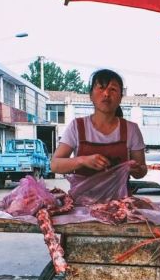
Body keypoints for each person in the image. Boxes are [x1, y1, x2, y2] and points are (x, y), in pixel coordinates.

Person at [51, 69, 147, 197]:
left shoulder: (131, 129)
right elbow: (55, 165)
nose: (106, 93)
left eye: (113, 89)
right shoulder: (77, 126)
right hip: (82, 204)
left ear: (120, 98)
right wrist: (82, 160)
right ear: (91, 95)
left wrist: (137, 170)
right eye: (101, 88)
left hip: (120, 205)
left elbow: (142, 170)